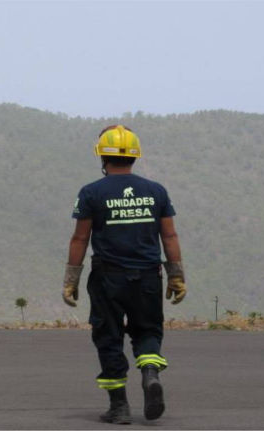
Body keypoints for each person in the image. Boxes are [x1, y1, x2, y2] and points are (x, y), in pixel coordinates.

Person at [62, 125, 186, 424]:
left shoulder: (91, 192)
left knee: (109, 336)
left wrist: (71, 279)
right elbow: (169, 236)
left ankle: (119, 407)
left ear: (102, 156)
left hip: (108, 279)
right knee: (148, 331)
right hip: (148, 277)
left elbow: (80, 239)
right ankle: (150, 373)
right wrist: (176, 275)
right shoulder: (156, 191)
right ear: (134, 157)